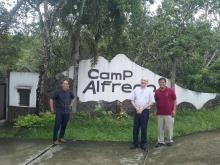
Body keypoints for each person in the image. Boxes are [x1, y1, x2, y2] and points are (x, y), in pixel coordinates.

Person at [130, 78, 155, 151]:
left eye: (145, 81)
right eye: (142, 81)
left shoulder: (149, 90)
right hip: (136, 110)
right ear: (140, 82)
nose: (143, 82)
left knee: (144, 127)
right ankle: (135, 143)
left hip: (145, 111)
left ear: (147, 83)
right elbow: (132, 100)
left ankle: (143, 144)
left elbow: (151, 102)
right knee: (135, 127)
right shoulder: (136, 89)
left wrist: (142, 109)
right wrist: (137, 108)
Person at [50, 79, 75, 145]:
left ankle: (61, 137)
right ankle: (55, 140)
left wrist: (71, 105)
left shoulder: (70, 92)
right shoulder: (57, 92)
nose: (65, 85)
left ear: (68, 85)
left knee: (64, 125)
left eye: (67, 84)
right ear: (62, 85)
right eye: (64, 83)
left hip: (66, 112)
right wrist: (52, 108)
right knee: (57, 125)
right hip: (59, 112)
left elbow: (73, 98)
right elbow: (51, 99)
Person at [154, 77, 176, 147]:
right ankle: (160, 141)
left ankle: (169, 140)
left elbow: (175, 100)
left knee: (169, 128)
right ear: (159, 83)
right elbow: (156, 102)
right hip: (160, 113)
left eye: (163, 82)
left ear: (165, 83)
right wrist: (155, 111)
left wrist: (174, 110)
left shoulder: (170, 90)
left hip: (169, 113)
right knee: (160, 128)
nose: (161, 83)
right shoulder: (157, 91)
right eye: (160, 82)